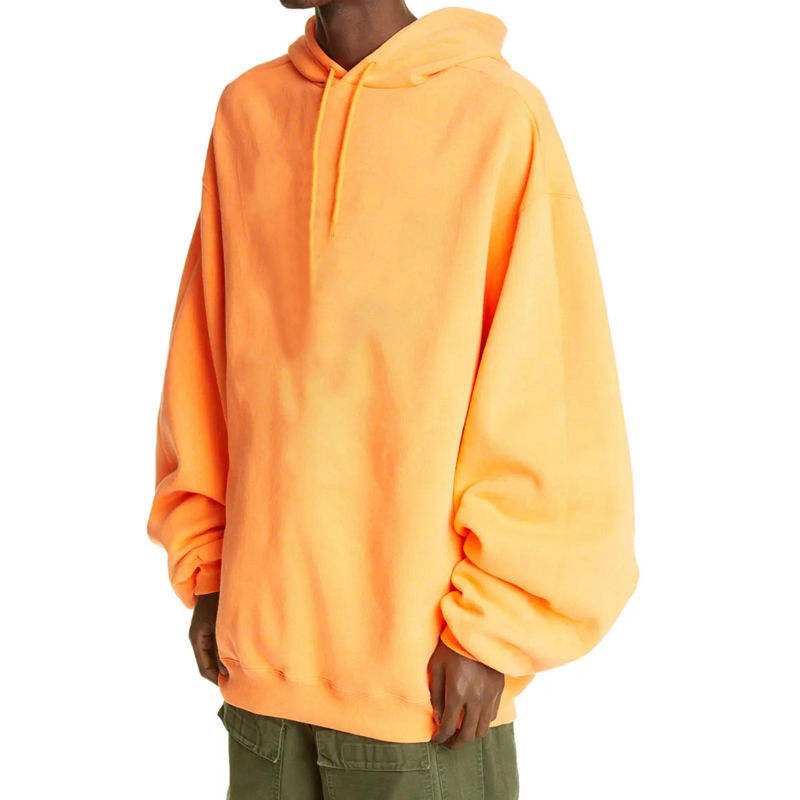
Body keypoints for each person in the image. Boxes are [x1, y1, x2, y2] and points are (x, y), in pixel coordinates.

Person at [147, 1, 638, 797]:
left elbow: (549, 393)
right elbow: (203, 361)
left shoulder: (495, 115)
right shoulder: (247, 113)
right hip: (261, 673)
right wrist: (208, 567)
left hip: (425, 689)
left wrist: (492, 631)